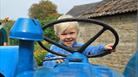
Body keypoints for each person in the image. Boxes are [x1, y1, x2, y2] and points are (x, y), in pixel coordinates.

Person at [43, 15, 114, 67]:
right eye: (64, 34)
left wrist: (103, 48)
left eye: (71, 33)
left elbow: (92, 50)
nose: (68, 37)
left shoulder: (81, 47)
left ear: (77, 32)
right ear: (58, 35)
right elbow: (46, 62)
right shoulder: (54, 48)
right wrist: (54, 61)